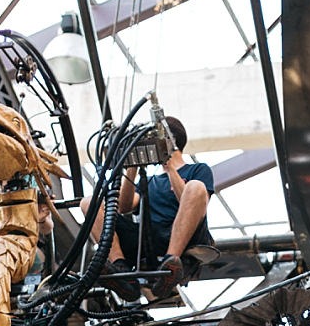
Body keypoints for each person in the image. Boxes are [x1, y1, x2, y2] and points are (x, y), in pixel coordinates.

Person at [81, 115, 216, 301]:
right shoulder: (150, 181)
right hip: (149, 240)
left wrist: (169, 167)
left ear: (170, 140)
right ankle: (120, 267)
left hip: (183, 238)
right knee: (89, 203)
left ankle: (171, 264)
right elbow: (124, 206)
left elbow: (189, 199)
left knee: (195, 187)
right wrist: (132, 167)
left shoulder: (197, 170)